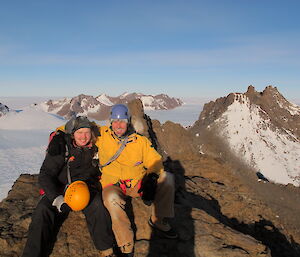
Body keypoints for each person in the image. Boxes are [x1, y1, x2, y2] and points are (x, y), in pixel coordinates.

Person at [22, 116, 115, 257]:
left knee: (98, 207)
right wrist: (57, 199)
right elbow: (45, 175)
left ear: (92, 133)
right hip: (60, 188)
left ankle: (107, 250)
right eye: (79, 133)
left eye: (86, 132)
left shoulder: (97, 147)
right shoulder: (62, 146)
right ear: (72, 134)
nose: (83, 137)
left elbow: (113, 131)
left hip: (86, 188)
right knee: (43, 210)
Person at [98, 104, 177, 257]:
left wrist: (152, 178)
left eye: (122, 121)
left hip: (136, 183)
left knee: (168, 179)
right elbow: (79, 129)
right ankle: (126, 243)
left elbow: (155, 160)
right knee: (111, 199)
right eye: (115, 121)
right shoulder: (102, 135)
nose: (118, 125)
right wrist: (58, 135)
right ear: (110, 122)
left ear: (128, 122)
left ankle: (158, 220)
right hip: (114, 184)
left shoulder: (139, 141)